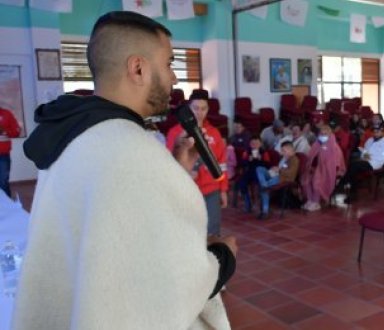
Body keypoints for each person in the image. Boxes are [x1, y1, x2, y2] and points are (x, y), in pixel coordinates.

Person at [15, 11, 236, 329]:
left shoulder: (74, 133)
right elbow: (173, 288)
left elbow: (111, 226)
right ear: (138, 68)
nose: (174, 79)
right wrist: (223, 257)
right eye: (170, 63)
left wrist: (172, 168)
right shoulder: (134, 152)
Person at [166, 91, 229, 235]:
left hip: (211, 190)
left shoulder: (214, 133)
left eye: (203, 108)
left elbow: (222, 163)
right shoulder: (174, 133)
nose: (199, 113)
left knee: (212, 230)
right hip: (186, 190)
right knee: (188, 231)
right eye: (195, 108)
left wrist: (223, 189)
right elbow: (169, 162)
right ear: (189, 108)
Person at [336, 125, 384, 201]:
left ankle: (341, 184)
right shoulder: (370, 140)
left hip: (376, 163)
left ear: (382, 132)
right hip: (365, 161)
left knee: (354, 166)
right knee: (353, 168)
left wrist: (370, 157)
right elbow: (364, 151)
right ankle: (349, 191)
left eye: (378, 132)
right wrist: (364, 155)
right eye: (374, 132)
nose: (375, 133)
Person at [301, 125, 346, 211]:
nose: (323, 136)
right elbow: (311, 157)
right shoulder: (316, 144)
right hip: (314, 169)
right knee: (306, 179)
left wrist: (321, 169)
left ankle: (316, 202)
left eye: (325, 134)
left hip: (327, 171)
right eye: (321, 134)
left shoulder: (334, 147)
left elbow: (335, 163)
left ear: (330, 135)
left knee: (316, 180)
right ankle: (310, 200)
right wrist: (310, 167)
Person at [254, 141, 299, 219]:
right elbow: (280, 167)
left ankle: (265, 211)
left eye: (284, 151)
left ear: (290, 150)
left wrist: (279, 170)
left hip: (283, 178)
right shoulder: (284, 158)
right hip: (275, 174)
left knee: (264, 189)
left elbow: (291, 172)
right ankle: (264, 184)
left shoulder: (294, 159)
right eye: (282, 150)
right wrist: (275, 169)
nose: (282, 152)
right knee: (259, 169)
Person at [238, 136, 271, 212]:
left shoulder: (264, 152)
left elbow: (268, 165)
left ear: (260, 144)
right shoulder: (246, 152)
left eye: (257, 143)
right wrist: (248, 160)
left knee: (258, 184)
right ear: (250, 144)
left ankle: (257, 203)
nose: (255, 145)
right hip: (249, 171)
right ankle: (248, 204)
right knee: (242, 183)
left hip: (259, 172)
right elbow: (242, 163)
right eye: (253, 144)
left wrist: (261, 159)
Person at [0, 106, 20, 197]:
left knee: (3, 181)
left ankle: (7, 207)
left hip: (3, 155)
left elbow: (16, 132)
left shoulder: (7, 114)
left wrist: (4, 130)